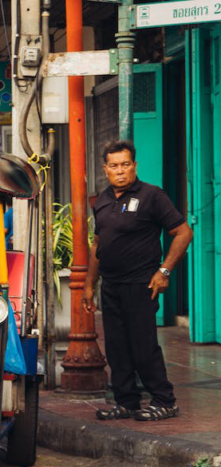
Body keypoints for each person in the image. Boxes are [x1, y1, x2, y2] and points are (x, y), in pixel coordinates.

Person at [83, 141, 193, 422]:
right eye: (114, 165)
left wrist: (164, 271)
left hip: (141, 284)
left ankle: (164, 400)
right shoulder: (103, 200)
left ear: (134, 165)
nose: (120, 171)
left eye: (126, 164)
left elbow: (183, 232)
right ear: (105, 169)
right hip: (111, 285)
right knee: (117, 347)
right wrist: (88, 285)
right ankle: (127, 401)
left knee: (143, 345)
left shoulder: (152, 195)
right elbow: (98, 244)